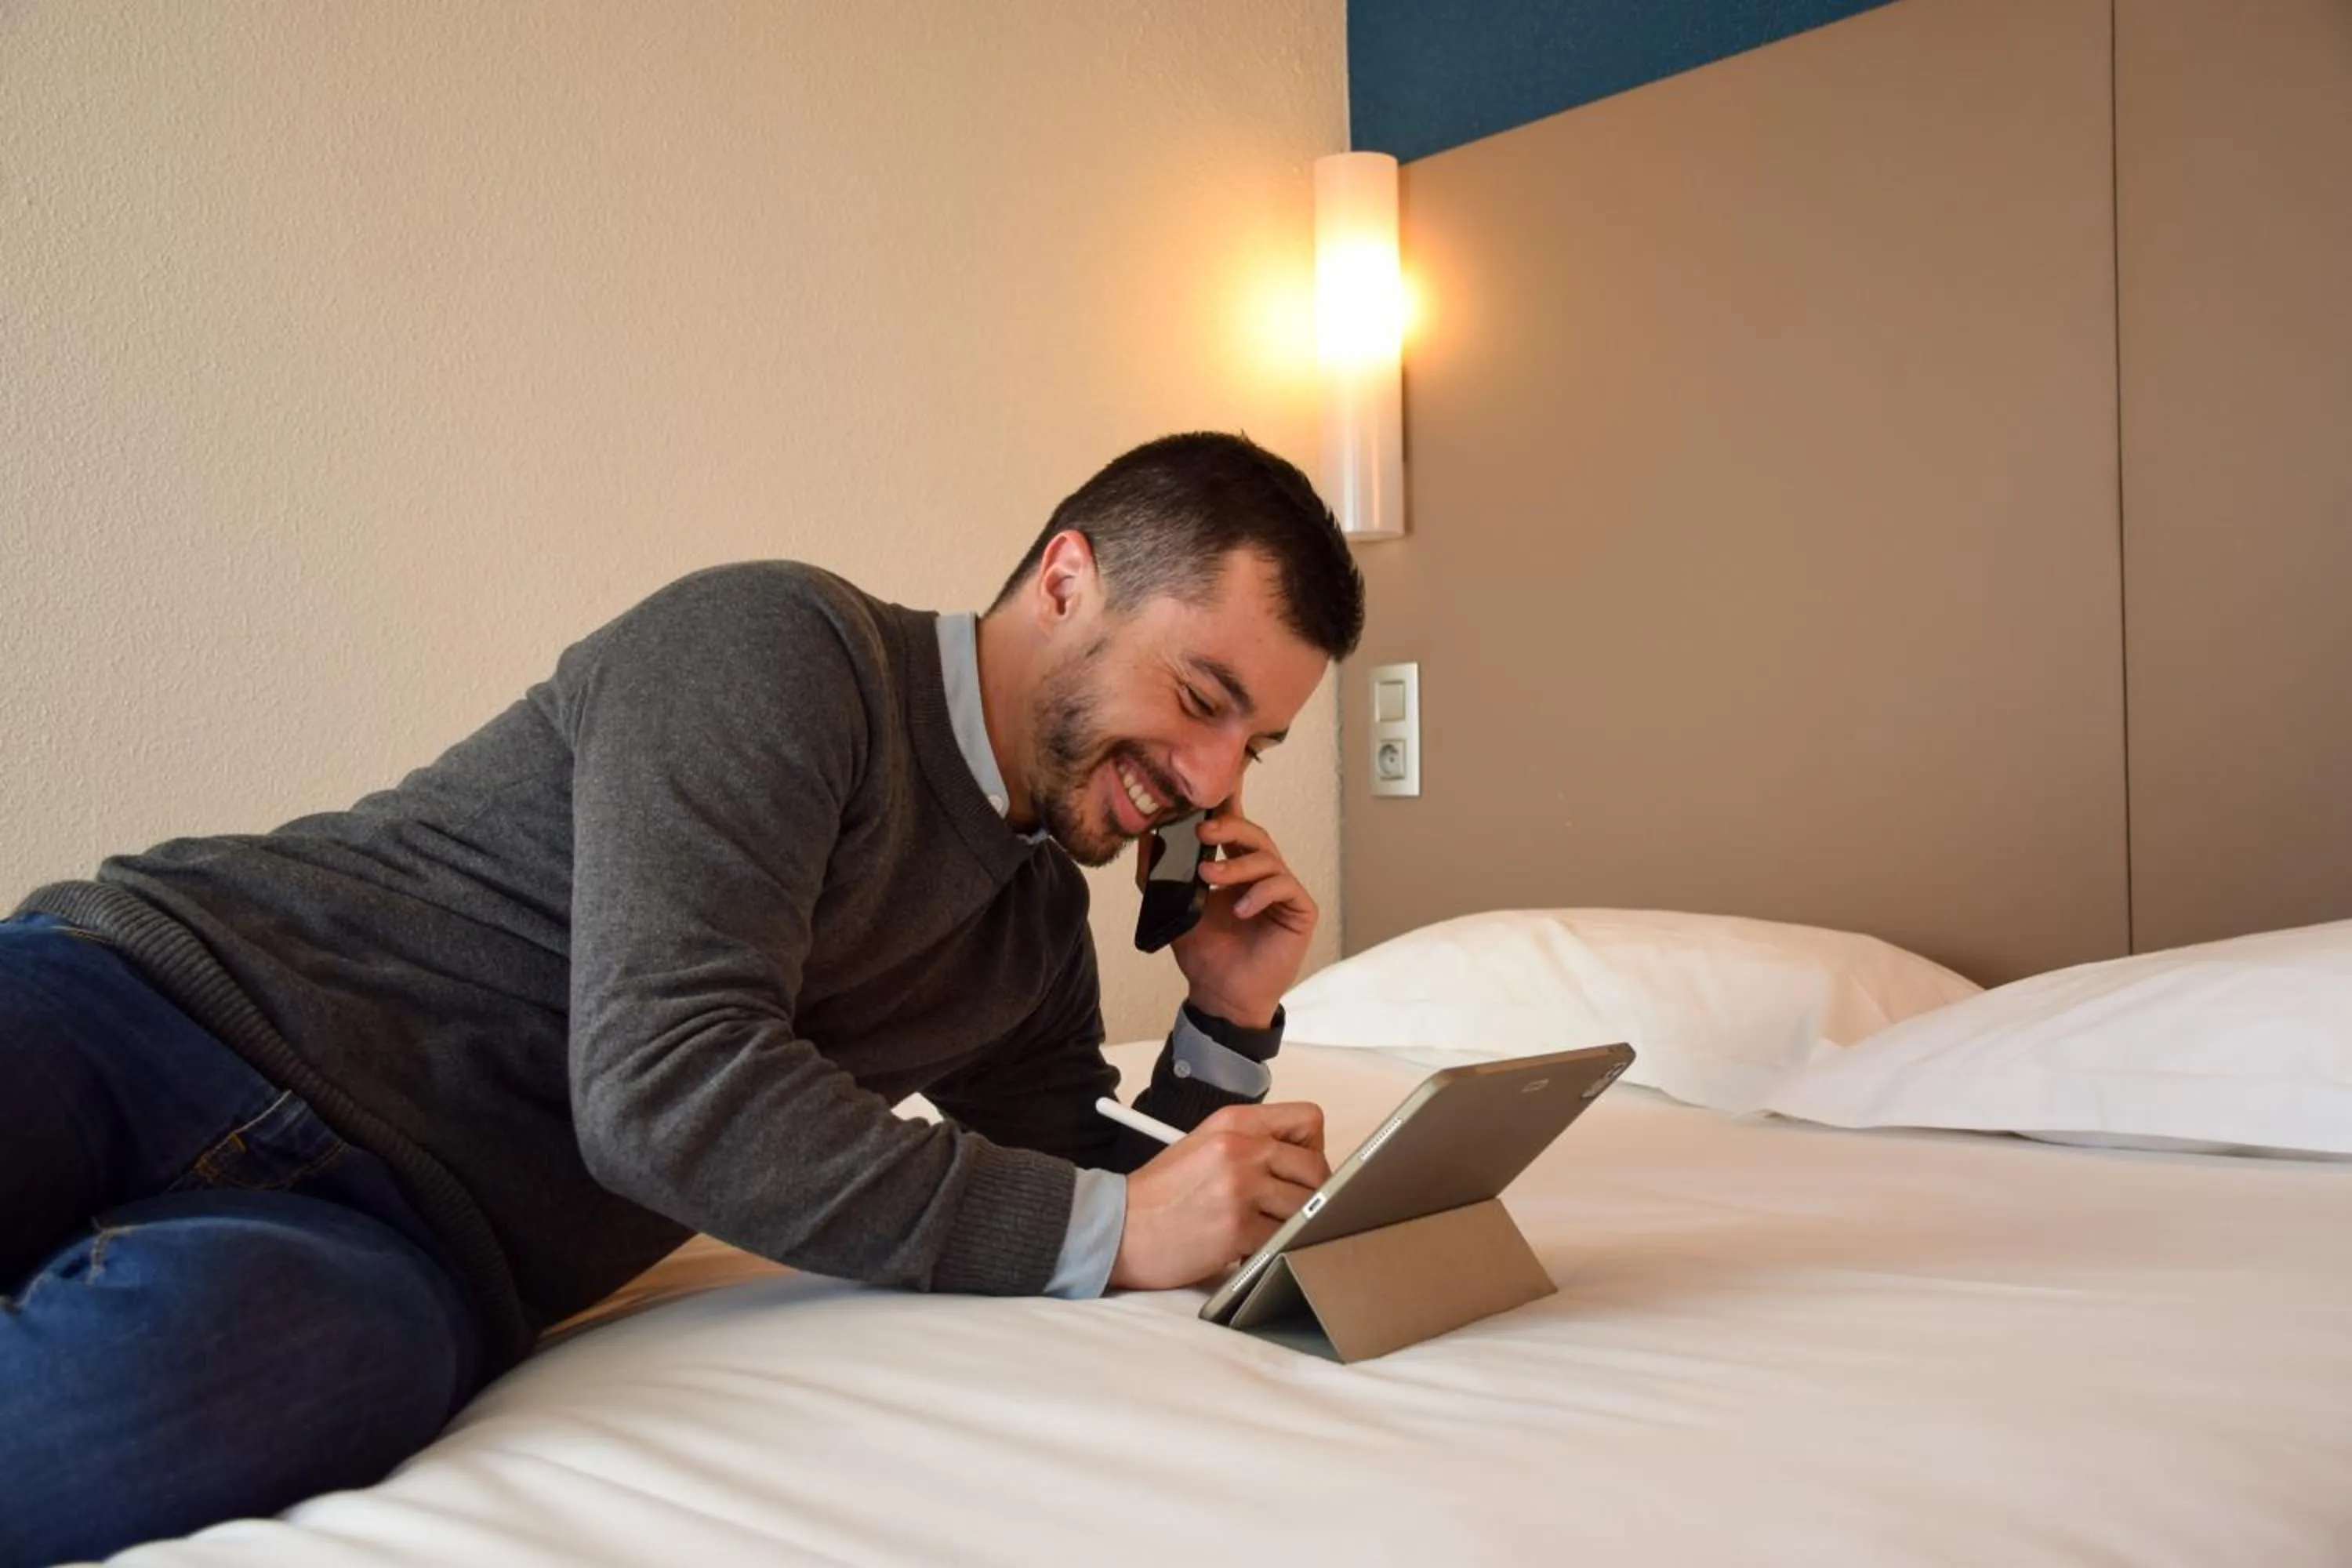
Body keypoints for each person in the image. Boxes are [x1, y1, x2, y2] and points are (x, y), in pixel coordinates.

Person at [0, 431, 1367, 1564]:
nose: (1208, 777)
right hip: (155, 1007)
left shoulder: (1026, 937)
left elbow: (1091, 1203)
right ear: (1069, 579)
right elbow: (667, 1094)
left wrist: (1227, 1022)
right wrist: (1118, 1223)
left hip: (414, 1254)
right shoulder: (783, 646)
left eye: (1255, 742)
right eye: (1201, 698)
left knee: (204, 1398)